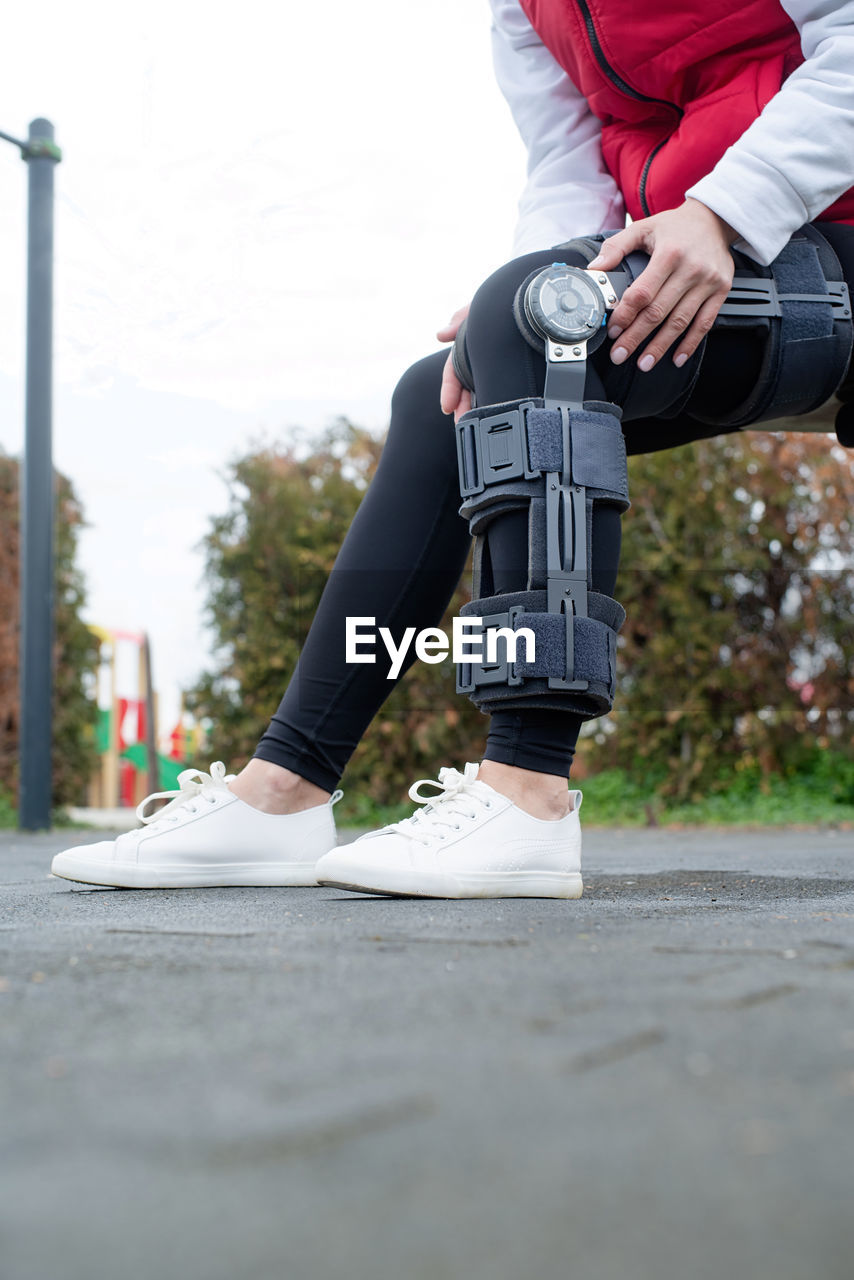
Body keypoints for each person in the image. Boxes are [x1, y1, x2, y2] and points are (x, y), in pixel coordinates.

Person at [51, 0, 854, 897]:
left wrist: (725, 209)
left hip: (810, 228)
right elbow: (567, 161)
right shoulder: (523, 10)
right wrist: (535, 287)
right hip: (703, 254)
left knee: (528, 322)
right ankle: (287, 787)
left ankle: (528, 793)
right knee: (444, 394)